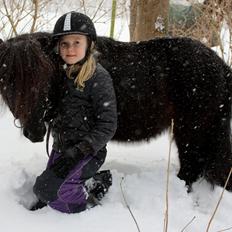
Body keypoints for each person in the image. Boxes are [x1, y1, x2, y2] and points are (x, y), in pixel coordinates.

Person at [31, 11, 117, 213]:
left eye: (76, 42)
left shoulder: (98, 78)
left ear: (89, 44)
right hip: (62, 147)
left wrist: (79, 151)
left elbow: (108, 125)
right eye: (64, 44)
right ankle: (89, 181)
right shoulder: (62, 74)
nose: (70, 49)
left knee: (60, 195)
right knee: (42, 188)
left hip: (87, 152)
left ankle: (85, 206)